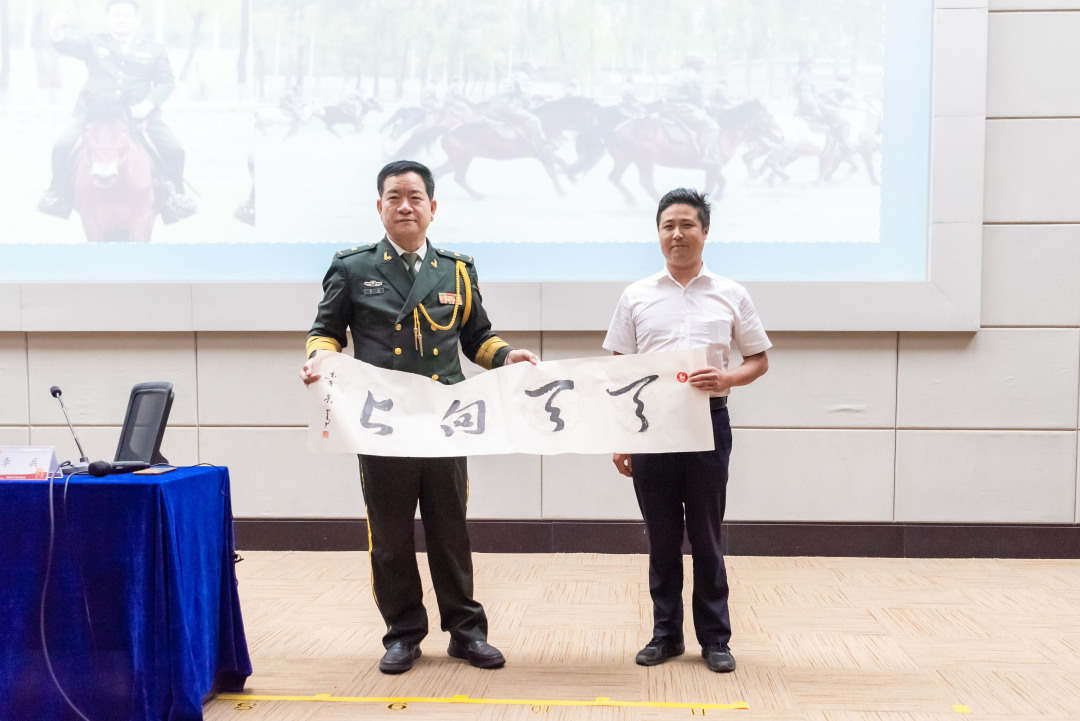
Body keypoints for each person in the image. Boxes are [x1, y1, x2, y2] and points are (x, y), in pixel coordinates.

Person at [300, 160, 539, 675]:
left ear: (432, 207)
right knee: (389, 535)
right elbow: (325, 332)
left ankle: (467, 633)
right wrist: (320, 360)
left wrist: (506, 357)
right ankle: (403, 634)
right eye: (394, 197)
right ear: (379, 206)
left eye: (414, 197)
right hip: (382, 421)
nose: (404, 206)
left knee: (450, 531)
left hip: (444, 420)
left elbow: (477, 337)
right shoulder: (352, 267)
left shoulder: (457, 269)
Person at [603, 188, 771, 674]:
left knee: (706, 535)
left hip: (708, 423)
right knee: (661, 537)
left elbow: (758, 359)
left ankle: (716, 639)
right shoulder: (636, 295)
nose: (676, 234)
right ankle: (666, 635)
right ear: (658, 234)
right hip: (650, 426)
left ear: (705, 231)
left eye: (687, 225)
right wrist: (622, 437)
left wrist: (728, 378)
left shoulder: (731, 293)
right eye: (668, 226)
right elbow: (620, 371)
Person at [39, 0, 195, 222]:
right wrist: (56, 30)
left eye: (126, 15)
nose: (122, 19)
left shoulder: (155, 49)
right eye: (116, 15)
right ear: (107, 19)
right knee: (62, 145)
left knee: (175, 149)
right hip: (96, 115)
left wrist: (146, 106)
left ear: (136, 19)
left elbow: (166, 82)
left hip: (138, 114)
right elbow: (66, 45)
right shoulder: (93, 43)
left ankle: (175, 199)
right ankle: (57, 195)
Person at [666, 55, 720, 159]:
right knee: (712, 126)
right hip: (683, 108)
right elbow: (697, 100)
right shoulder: (694, 77)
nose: (702, 67)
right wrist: (706, 106)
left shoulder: (676, 74)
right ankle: (704, 155)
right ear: (695, 64)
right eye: (701, 64)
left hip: (668, 106)